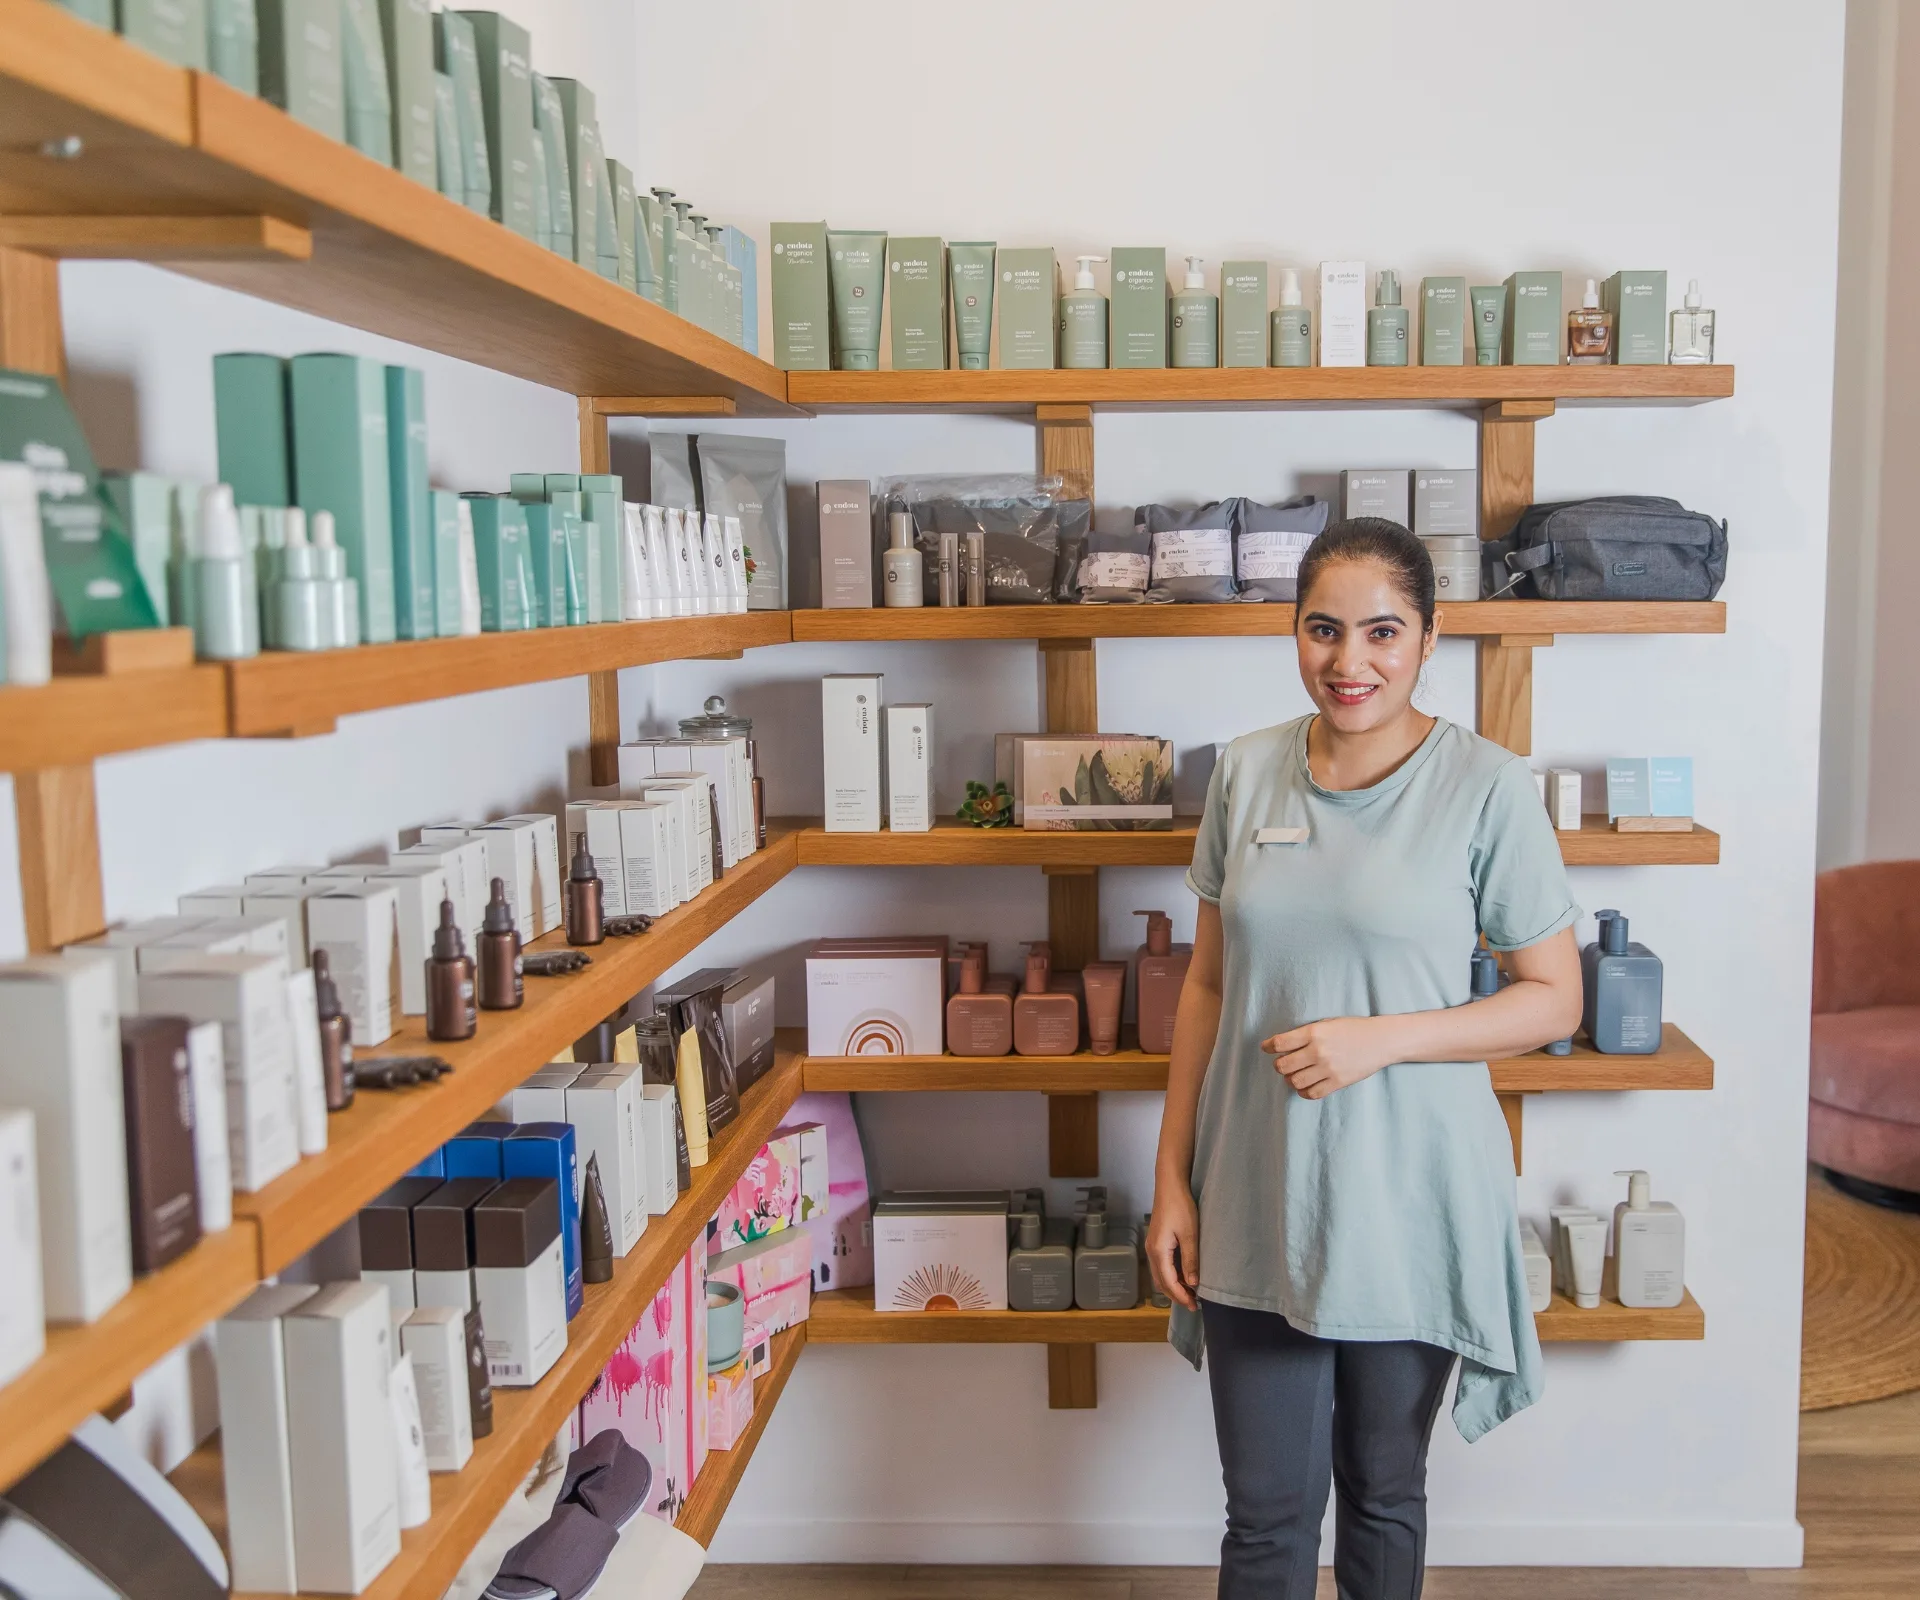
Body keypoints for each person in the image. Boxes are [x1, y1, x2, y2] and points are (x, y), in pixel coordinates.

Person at [1145, 518, 1584, 1600]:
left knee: (1385, 1494)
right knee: (1265, 1516)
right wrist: (1172, 1181)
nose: (1351, 661)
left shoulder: (1487, 787)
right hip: (1257, 1188)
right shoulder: (1247, 772)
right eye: (1324, 629)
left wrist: (1380, 1039)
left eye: (1383, 632)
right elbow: (1207, 988)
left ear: (1429, 639)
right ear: (1295, 632)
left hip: (1410, 1196)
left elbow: (1553, 995)